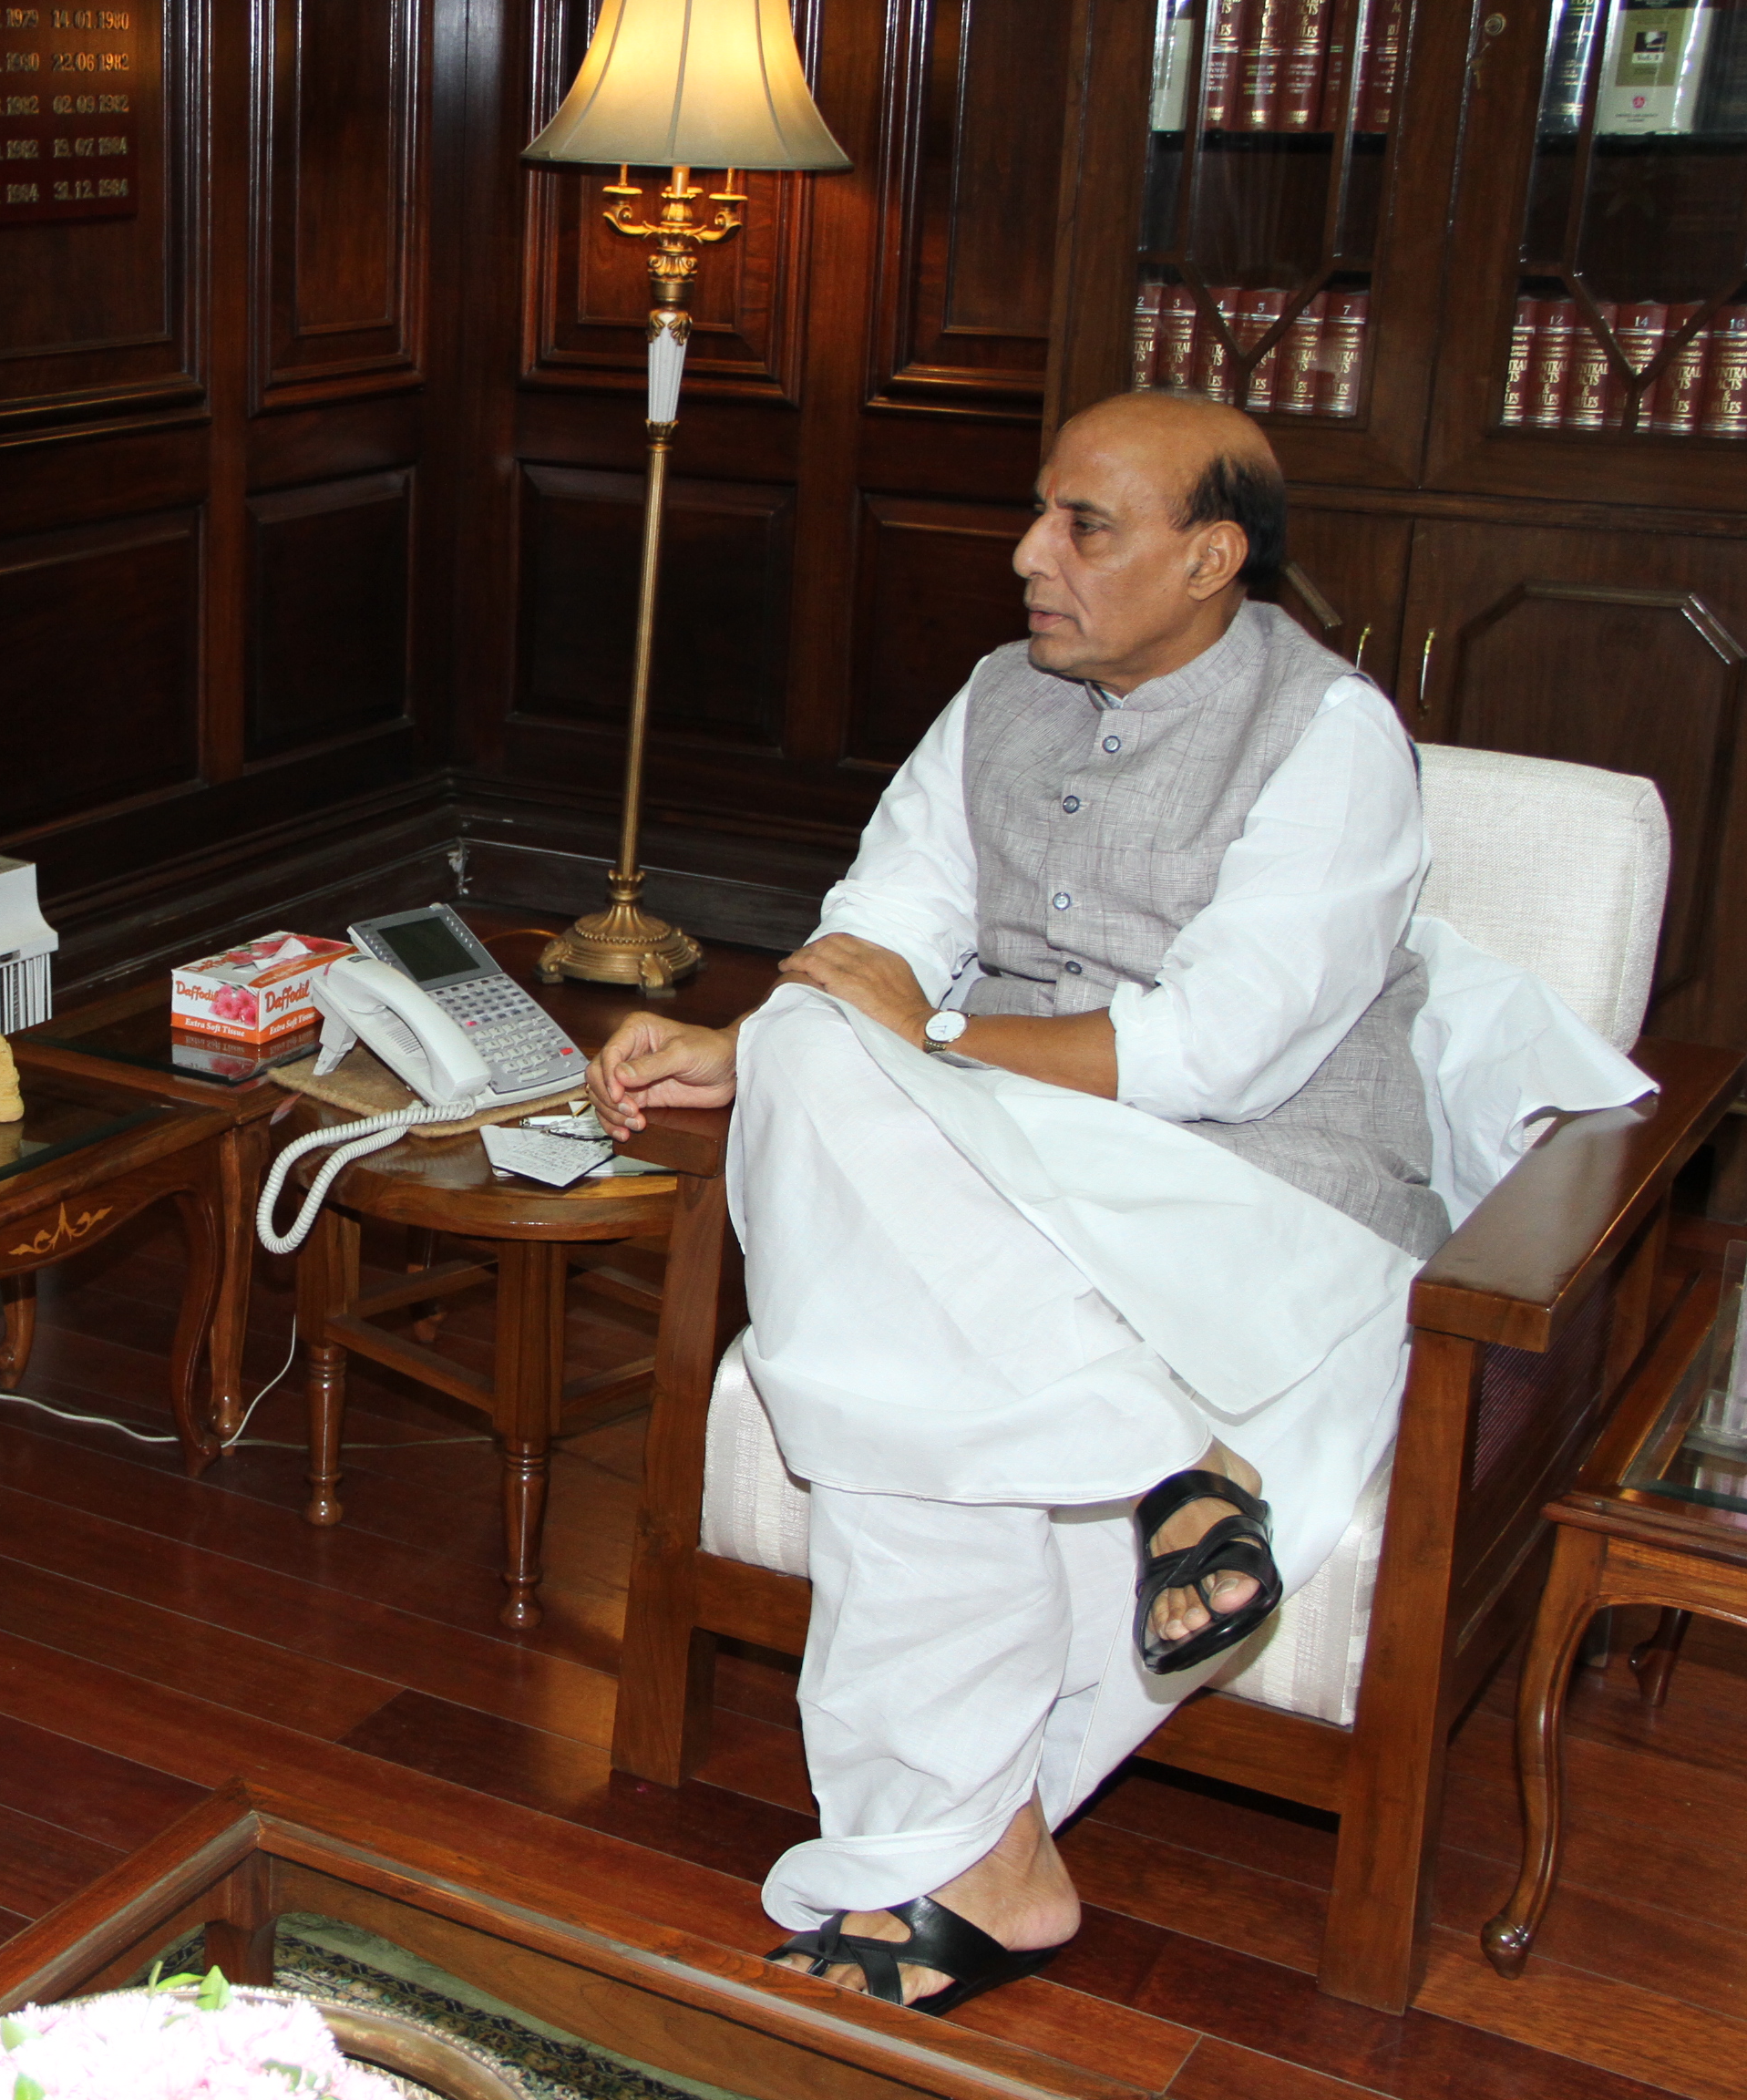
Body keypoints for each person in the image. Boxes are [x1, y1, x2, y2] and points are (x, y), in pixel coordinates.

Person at [587, 392, 1644, 2013]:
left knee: (880, 1343)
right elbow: (882, 927)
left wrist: (913, 1036)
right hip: (1005, 1161)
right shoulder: (996, 697)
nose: (1028, 557)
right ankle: (1161, 1477)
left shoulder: (1331, 732)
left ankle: (971, 1853)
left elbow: (1221, 1047)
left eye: (1084, 526)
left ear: (1215, 557)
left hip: (1261, 1199)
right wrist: (749, 1043)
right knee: (804, 1050)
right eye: (1039, 513)